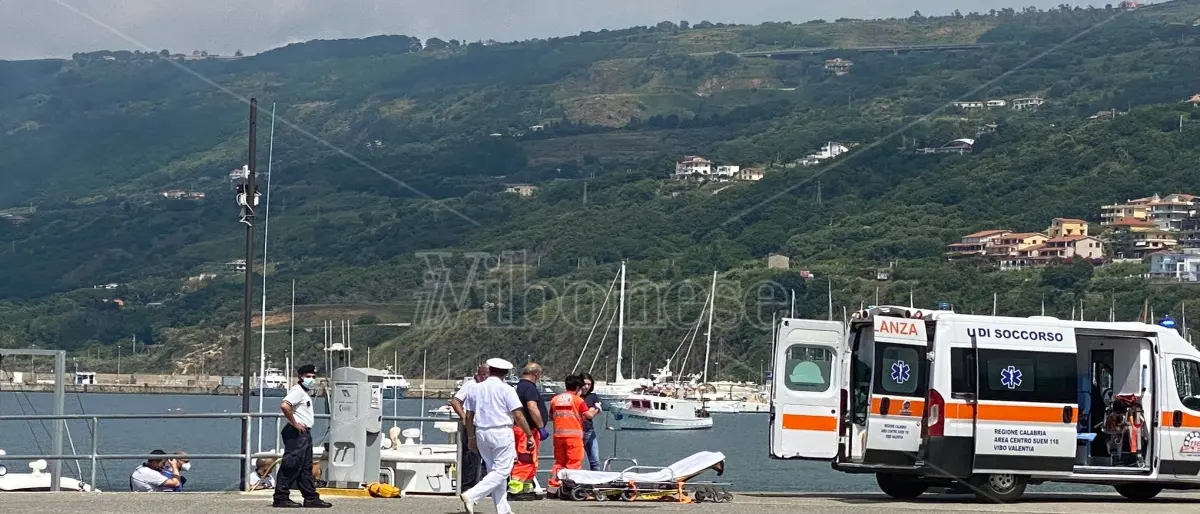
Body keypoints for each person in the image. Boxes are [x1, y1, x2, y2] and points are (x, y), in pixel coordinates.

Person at [460, 358, 537, 514]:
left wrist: (470, 436)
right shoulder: (506, 389)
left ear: (490, 370)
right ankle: (473, 495)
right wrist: (529, 435)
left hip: (481, 432)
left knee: (493, 472)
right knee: (502, 470)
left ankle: (503, 509)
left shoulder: (475, 388)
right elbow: (518, 414)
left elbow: (469, 415)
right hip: (501, 431)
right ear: (506, 373)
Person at [273, 364, 332, 508]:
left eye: (313, 377)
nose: (311, 379)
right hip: (297, 433)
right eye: (308, 377)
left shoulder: (304, 393)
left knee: (305, 467)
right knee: (291, 464)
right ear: (300, 377)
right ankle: (281, 497)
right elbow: (285, 405)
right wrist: (294, 423)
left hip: (304, 433)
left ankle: (310, 497)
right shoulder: (298, 391)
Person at [546, 375, 598, 497]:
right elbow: (588, 415)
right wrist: (596, 409)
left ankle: (552, 489)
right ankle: (568, 489)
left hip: (558, 436)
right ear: (578, 388)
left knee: (559, 463)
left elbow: (550, 416)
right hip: (573, 436)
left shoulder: (555, 399)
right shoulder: (578, 400)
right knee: (573, 463)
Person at [509, 362, 547, 497]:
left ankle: (526, 487)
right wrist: (541, 426)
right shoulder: (529, 388)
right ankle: (516, 488)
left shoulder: (519, 387)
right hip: (527, 430)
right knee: (525, 458)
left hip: (522, 429)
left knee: (530, 459)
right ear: (536, 374)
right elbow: (532, 407)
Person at [450, 364, 489, 490]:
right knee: (471, 456)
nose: (485, 377)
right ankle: (467, 486)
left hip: (486, 425)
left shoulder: (489, 386)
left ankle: (485, 484)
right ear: (478, 374)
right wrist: (464, 418)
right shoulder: (470, 385)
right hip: (472, 425)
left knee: (486, 456)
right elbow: (455, 401)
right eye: (483, 374)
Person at [579, 373, 602, 471]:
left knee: (595, 460)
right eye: (585, 384)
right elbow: (588, 413)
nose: (587, 387)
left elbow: (599, 409)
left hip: (589, 430)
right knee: (576, 460)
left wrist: (594, 409)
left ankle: (596, 482)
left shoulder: (593, 396)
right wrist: (593, 409)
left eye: (589, 384)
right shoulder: (576, 397)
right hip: (577, 431)